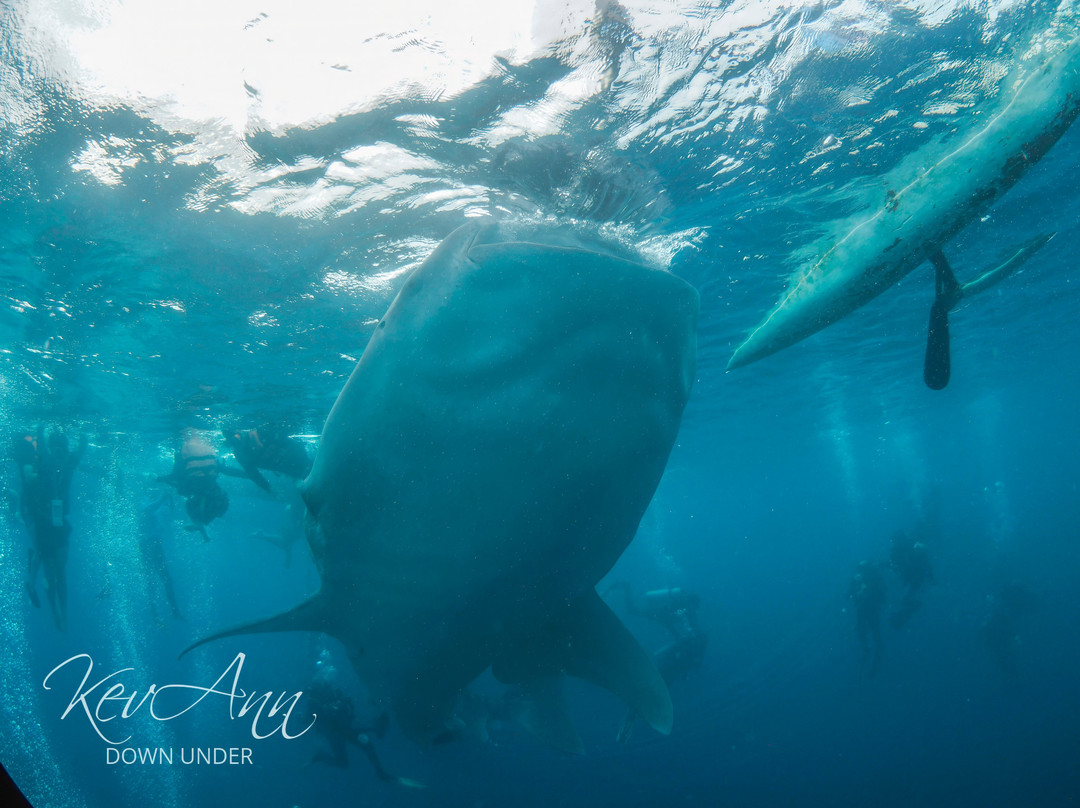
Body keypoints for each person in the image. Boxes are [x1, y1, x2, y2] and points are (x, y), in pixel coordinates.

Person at [606, 582, 707, 743]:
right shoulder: (686, 610)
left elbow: (676, 626)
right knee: (657, 688)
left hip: (662, 623)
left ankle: (626, 589)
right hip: (662, 620)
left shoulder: (684, 609)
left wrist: (679, 636)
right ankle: (626, 588)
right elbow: (678, 621)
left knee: (633, 611)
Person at [14, 427, 86, 632]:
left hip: (59, 522)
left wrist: (84, 435)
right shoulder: (44, 460)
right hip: (44, 522)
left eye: (62, 449)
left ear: (66, 449)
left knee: (60, 571)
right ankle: (54, 612)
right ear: (50, 448)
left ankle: (62, 612)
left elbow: (82, 448)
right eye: (55, 449)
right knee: (50, 571)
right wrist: (40, 428)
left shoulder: (70, 463)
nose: (59, 453)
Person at [306, 679, 423, 789]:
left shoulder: (334, 693)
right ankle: (320, 756)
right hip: (334, 734)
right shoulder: (313, 701)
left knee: (368, 747)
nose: (324, 688)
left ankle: (380, 771)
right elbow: (310, 719)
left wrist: (340, 706)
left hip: (347, 729)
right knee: (343, 762)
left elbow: (347, 706)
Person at [158, 430, 235, 540]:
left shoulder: (183, 456)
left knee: (193, 507)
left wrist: (158, 479)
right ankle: (203, 533)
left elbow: (176, 476)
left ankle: (203, 532)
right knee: (197, 510)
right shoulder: (204, 459)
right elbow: (224, 470)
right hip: (215, 497)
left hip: (208, 498)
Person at [222, 423, 311, 493]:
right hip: (285, 464)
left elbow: (253, 473)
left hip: (290, 459)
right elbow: (253, 473)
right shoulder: (240, 453)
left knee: (304, 470)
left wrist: (268, 488)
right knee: (302, 473)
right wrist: (267, 488)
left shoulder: (257, 434)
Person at [139, 492, 183, 622]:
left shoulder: (152, 513)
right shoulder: (145, 510)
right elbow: (148, 510)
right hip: (148, 547)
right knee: (152, 582)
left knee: (164, 580)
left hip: (153, 547)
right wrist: (163, 498)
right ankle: (156, 616)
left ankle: (173, 611)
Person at [848, 560, 888, 677]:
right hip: (868, 609)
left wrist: (862, 591)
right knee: (871, 632)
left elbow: (875, 591)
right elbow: (852, 592)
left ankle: (869, 652)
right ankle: (870, 651)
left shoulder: (870, 578)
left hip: (870, 608)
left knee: (870, 632)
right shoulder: (860, 578)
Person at [888, 531, 934, 629]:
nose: (893, 543)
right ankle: (911, 607)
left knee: (907, 598)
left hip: (915, 577)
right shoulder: (905, 548)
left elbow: (923, 563)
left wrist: (930, 578)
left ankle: (912, 607)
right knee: (907, 598)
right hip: (913, 577)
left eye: (894, 541)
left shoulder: (911, 547)